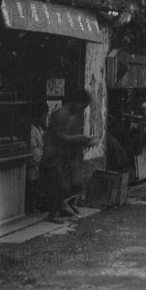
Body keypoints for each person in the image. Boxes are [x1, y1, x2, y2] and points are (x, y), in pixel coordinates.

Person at [40, 89, 98, 224]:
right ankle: (53, 213)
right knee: (55, 185)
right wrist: (81, 139)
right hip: (53, 157)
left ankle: (62, 208)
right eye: (84, 106)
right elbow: (60, 138)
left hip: (61, 157)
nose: (83, 110)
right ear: (79, 103)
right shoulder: (62, 114)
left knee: (62, 184)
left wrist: (84, 141)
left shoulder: (70, 115)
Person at [27, 96, 48, 213]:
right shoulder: (31, 130)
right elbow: (34, 152)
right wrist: (44, 154)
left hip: (40, 164)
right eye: (44, 115)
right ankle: (33, 207)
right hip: (34, 165)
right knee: (34, 186)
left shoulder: (40, 129)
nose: (45, 118)